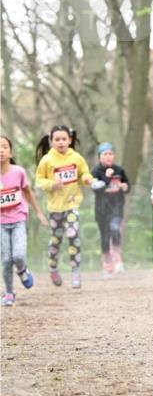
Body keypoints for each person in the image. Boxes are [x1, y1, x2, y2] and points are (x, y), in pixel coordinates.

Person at [35, 125, 94, 289]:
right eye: (57, 139)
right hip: (55, 207)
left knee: (73, 235)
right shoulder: (47, 160)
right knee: (56, 240)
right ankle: (53, 267)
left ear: (70, 140)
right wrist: (52, 184)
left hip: (72, 203)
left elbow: (83, 174)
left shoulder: (76, 157)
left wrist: (87, 179)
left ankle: (75, 271)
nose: (61, 142)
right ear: (51, 141)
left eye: (64, 139)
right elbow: (39, 181)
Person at [0, 135, 47, 305]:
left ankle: (22, 270)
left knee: (18, 255)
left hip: (18, 219)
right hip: (1, 223)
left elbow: (27, 192)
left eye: (4, 147)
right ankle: (9, 293)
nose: (0, 150)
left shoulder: (18, 172)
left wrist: (39, 213)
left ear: (10, 152)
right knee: (5, 260)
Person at [91, 142, 129, 276]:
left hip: (117, 207)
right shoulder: (96, 171)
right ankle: (107, 262)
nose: (108, 157)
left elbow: (127, 185)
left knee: (115, 229)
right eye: (105, 154)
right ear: (99, 157)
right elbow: (96, 189)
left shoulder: (119, 170)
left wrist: (125, 186)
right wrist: (107, 177)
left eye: (110, 154)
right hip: (101, 210)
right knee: (105, 237)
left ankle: (118, 259)